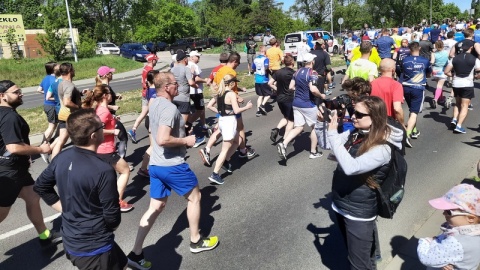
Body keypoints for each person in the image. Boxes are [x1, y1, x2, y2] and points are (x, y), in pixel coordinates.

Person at [127, 72, 219, 269]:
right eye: (176, 84)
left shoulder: (154, 103)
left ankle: (135, 253)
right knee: (195, 197)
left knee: (156, 207)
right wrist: (186, 140)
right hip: (172, 165)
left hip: (156, 165)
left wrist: (180, 131)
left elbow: (158, 132)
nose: (179, 86)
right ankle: (196, 240)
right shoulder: (169, 108)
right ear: (167, 87)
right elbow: (162, 139)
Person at [34, 109, 127, 270]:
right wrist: (105, 230)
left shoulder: (62, 157)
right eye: (101, 127)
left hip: (71, 238)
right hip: (94, 248)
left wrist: (64, 208)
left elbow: (41, 186)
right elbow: (112, 217)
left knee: (123, 264)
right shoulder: (103, 170)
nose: (104, 129)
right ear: (93, 136)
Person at [327, 95, 404, 270]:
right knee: (361, 257)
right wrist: (326, 124)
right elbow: (330, 145)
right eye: (353, 112)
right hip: (341, 203)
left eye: (359, 114)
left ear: (375, 118)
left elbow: (351, 168)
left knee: (358, 265)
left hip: (359, 212)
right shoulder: (356, 132)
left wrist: (332, 133)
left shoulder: (383, 147)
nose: (354, 116)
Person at [0, 80, 61, 248]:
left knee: (33, 197)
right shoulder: (9, 117)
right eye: (16, 92)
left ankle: (44, 236)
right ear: (2, 96)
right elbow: (12, 147)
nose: (21, 93)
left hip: (16, 169)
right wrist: (40, 149)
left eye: (20, 90)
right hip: (9, 172)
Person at [82, 85, 133, 212]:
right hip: (106, 150)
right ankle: (117, 202)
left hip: (101, 149)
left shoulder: (101, 109)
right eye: (109, 93)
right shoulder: (103, 112)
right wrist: (113, 131)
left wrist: (113, 119)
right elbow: (96, 130)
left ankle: (99, 200)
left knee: (107, 177)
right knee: (125, 170)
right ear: (105, 96)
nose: (112, 95)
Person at [417, 184, 480, 270]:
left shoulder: (456, 242)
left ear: (470, 218)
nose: (444, 214)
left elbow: (427, 258)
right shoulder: (475, 231)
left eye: (449, 212)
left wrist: (425, 241)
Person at [276, 53, 326, 161]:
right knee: (315, 127)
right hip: (308, 104)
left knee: (298, 127)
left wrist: (299, 90)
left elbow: (291, 87)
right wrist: (321, 95)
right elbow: (313, 89)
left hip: (296, 103)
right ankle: (313, 151)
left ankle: (283, 144)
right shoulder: (313, 73)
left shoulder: (297, 72)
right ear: (312, 61)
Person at [208, 75, 253, 184]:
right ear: (231, 83)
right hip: (229, 123)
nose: (235, 85)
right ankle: (215, 173)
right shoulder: (231, 94)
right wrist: (247, 107)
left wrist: (220, 112)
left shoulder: (219, 93)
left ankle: (226, 161)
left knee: (239, 141)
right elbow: (237, 111)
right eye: (234, 83)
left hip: (223, 121)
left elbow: (209, 106)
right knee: (224, 149)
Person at [399, 41, 432, 147]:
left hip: (406, 86)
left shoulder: (404, 60)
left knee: (411, 109)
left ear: (409, 49)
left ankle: (414, 130)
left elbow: (401, 71)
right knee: (414, 112)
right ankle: (407, 135)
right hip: (418, 87)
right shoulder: (425, 61)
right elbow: (429, 73)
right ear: (420, 49)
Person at [444, 42, 480, 134]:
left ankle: (454, 119)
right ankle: (459, 126)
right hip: (467, 84)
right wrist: (476, 76)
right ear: (471, 48)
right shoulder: (474, 59)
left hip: (456, 83)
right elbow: (479, 70)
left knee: (457, 103)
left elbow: (446, 71)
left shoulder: (455, 59)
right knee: (465, 105)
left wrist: (452, 75)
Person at [96, 66, 129, 160]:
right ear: (106, 75)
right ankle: (121, 160)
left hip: (110, 116)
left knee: (109, 139)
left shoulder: (103, 86)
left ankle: (112, 159)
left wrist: (115, 97)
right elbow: (98, 104)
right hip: (109, 117)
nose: (112, 74)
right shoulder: (104, 88)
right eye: (111, 73)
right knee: (123, 138)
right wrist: (112, 107)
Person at [50, 62, 82, 159]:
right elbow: (67, 102)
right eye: (73, 69)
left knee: (61, 140)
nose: (74, 71)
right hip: (71, 116)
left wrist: (79, 94)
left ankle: (53, 163)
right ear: (70, 71)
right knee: (81, 138)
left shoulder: (61, 83)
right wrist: (78, 107)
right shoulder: (69, 85)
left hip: (63, 114)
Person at [128, 53, 158, 143]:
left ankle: (133, 130)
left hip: (144, 92)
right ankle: (149, 131)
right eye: (156, 59)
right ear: (152, 60)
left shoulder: (145, 68)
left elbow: (142, 81)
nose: (157, 61)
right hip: (149, 93)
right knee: (148, 113)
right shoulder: (150, 70)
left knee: (144, 113)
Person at [268, 54, 296, 143]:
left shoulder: (278, 72)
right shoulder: (293, 73)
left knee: (286, 117)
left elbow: (270, 83)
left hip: (279, 98)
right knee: (291, 120)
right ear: (292, 62)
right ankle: (285, 139)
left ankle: (276, 129)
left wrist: (277, 89)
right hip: (289, 98)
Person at [371, 59, 405, 125]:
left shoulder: (372, 84)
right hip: (389, 123)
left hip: (374, 122)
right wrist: (402, 125)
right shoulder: (396, 85)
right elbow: (397, 109)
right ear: (393, 70)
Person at [37, 61, 59, 163]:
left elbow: (38, 89)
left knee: (57, 125)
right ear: (53, 68)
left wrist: (46, 93)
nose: (59, 66)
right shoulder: (54, 79)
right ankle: (43, 147)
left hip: (47, 105)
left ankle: (52, 142)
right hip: (52, 106)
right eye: (57, 65)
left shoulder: (45, 78)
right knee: (51, 127)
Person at [252, 45, 271, 117]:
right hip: (264, 79)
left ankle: (258, 111)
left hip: (257, 79)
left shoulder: (255, 59)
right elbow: (266, 67)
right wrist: (269, 71)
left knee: (260, 95)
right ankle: (262, 105)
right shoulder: (266, 59)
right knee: (269, 94)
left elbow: (253, 68)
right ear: (264, 51)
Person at [430, 40, 449, 109]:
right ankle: (435, 99)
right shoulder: (446, 52)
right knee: (440, 86)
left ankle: (440, 98)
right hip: (443, 70)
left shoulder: (434, 53)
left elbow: (432, 62)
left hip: (435, 70)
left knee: (438, 85)